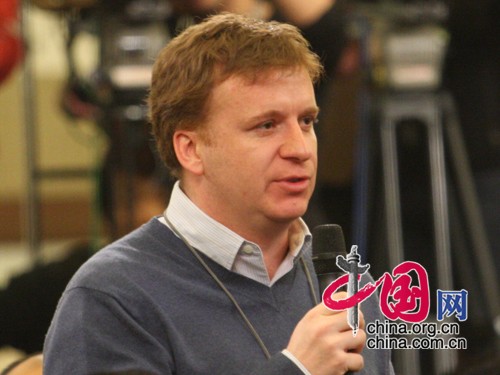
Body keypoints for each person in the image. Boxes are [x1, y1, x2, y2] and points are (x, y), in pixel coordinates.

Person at [44, 13, 393, 374]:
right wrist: (296, 370)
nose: (299, 149)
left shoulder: (347, 286)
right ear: (191, 150)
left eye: (306, 122)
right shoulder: (114, 296)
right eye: (267, 125)